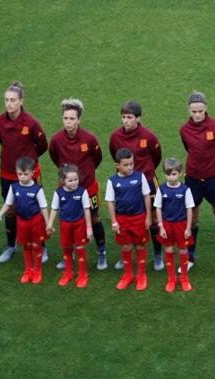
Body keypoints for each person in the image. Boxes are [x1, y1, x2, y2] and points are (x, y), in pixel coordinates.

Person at [49, 98, 107, 270]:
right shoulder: (57, 140)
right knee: (67, 219)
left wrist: (86, 174)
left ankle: (101, 252)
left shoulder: (89, 139)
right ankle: (69, 253)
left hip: (88, 187)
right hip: (66, 190)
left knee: (95, 219)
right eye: (65, 118)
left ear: (79, 120)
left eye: (72, 118)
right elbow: (54, 157)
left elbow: (97, 158)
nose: (68, 122)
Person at [0, 81, 48, 263]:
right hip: (7, 173)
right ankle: (11, 246)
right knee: (10, 210)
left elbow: (42, 146)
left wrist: (28, 164)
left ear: (21, 101)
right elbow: (2, 141)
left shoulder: (31, 123)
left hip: (30, 174)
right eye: (6, 100)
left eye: (13, 100)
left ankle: (42, 246)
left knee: (36, 210)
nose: (9, 104)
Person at [179, 91, 215, 274]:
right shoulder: (184, 130)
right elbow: (188, 149)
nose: (197, 114)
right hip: (192, 179)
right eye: (194, 111)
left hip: (213, 179)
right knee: (192, 219)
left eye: (200, 110)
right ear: (189, 110)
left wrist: (214, 164)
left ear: (206, 108)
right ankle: (190, 257)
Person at [109, 101, 163, 271]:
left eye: (130, 117)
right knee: (125, 218)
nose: (126, 121)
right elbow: (115, 156)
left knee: (153, 219)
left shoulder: (148, 136)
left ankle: (157, 255)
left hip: (147, 180)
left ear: (138, 118)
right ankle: (126, 256)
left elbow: (156, 156)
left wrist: (145, 171)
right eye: (123, 117)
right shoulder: (115, 137)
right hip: (124, 183)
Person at [0, 157, 49, 284]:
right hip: (21, 222)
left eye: (25, 174)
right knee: (26, 246)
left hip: (35, 221)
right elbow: (8, 204)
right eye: (19, 174)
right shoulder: (13, 188)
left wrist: (48, 223)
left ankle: (38, 271)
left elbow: (43, 207)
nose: (22, 177)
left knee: (36, 245)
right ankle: (28, 270)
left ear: (32, 173)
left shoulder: (37, 189)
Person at [105, 148, 152, 291]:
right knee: (125, 246)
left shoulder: (140, 177)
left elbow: (146, 196)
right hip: (122, 219)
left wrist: (148, 216)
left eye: (132, 163)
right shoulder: (112, 181)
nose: (130, 167)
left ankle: (142, 275)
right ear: (117, 166)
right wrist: (114, 221)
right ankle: (128, 274)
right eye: (126, 165)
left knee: (140, 245)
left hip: (139, 217)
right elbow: (110, 202)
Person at [46, 164, 93, 288]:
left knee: (80, 248)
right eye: (70, 180)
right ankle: (68, 272)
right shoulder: (58, 193)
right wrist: (49, 224)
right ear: (63, 181)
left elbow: (87, 210)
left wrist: (89, 228)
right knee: (66, 248)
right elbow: (54, 209)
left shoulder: (83, 192)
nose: (74, 183)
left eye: (76, 179)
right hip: (65, 225)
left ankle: (83, 274)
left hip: (79, 224)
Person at [154, 158, 195, 293]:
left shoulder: (185, 190)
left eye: (174, 174)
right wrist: (161, 226)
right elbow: (158, 208)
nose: (171, 177)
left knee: (183, 250)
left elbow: (189, 209)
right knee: (169, 250)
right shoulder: (161, 189)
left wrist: (188, 227)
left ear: (180, 173)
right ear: (164, 174)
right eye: (168, 174)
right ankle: (172, 279)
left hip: (182, 224)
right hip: (167, 225)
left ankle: (184, 278)